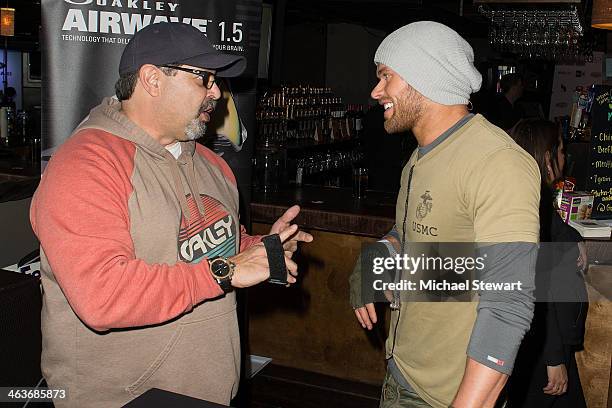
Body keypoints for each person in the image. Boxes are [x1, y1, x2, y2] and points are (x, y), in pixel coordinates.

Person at [30, 22, 312, 407]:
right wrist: (227, 270)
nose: (217, 92)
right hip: (121, 398)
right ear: (152, 79)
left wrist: (263, 248)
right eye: (204, 78)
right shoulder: (85, 165)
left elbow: (215, 245)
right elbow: (103, 298)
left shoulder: (213, 165)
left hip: (209, 390)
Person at [351, 22, 541, 408]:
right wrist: (378, 255)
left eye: (386, 76)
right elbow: (412, 235)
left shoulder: (497, 162)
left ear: (426, 76)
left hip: (446, 397)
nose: (376, 91)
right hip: (401, 374)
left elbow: (508, 301)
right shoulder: (419, 158)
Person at [507, 119, 588, 408]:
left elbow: (556, 227)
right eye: (561, 151)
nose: (565, 158)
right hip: (543, 346)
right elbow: (537, 286)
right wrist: (554, 357)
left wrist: (573, 237)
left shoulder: (530, 198)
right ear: (547, 158)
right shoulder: (529, 210)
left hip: (549, 342)